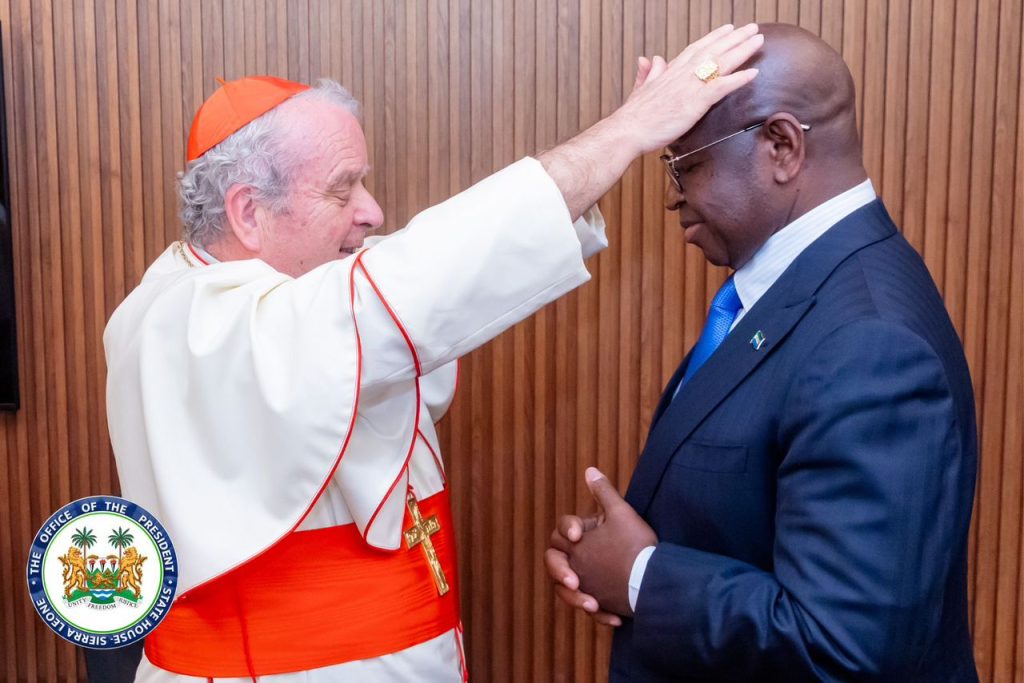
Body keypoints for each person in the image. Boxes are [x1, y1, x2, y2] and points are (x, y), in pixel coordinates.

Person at [102, 25, 764, 683]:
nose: (372, 210)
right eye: (343, 188)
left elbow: (432, 290)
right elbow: (408, 286)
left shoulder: (300, 296)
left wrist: (602, 163)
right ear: (248, 211)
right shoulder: (184, 321)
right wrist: (626, 131)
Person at [546, 23, 978, 682]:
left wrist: (640, 578)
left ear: (781, 145)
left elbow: (846, 645)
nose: (673, 195)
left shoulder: (870, 343)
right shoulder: (800, 290)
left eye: (687, 164)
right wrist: (612, 553)